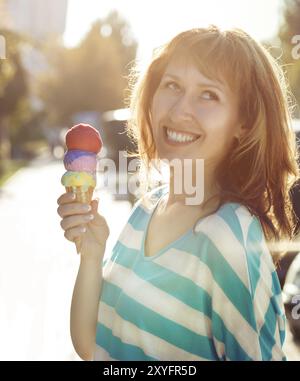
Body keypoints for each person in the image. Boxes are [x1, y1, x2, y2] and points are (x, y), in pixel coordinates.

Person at [57, 26, 299, 361]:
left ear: (243, 122)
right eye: (172, 85)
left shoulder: (228, 235)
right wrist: (91, 255)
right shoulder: (147, 207)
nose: (179, 110)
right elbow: (93, 347)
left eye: (209, 94)